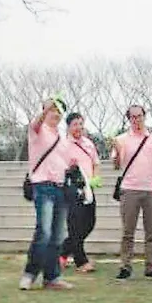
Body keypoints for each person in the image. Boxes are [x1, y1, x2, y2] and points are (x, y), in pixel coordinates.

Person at [20, 97, 75, 291]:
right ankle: (30, 273)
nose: (55, 114)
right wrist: (46, 109)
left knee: (57, 236)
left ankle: (52, 277)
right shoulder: (38, 130)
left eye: (59, 111)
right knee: (44, 232)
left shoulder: (63, 139)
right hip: (43, 186)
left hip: (61, 187)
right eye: (52, 110)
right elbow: (35, 123)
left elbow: (66, 162)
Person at [111, 105, 152, 280]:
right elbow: (116, 166)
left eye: (139, 116)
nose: (137, 120)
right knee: (128, 231)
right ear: (129, 119)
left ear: (144, 116)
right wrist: (117, 151)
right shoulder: (122, 139)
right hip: (130, 189)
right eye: (133, 117)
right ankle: (125, 265)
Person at [60, 112, 100, 274]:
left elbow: (95, 163)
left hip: (88, 188)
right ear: (68, 127)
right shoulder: (63, 144)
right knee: (76, 225)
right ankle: (81, 261)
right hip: (72, 188)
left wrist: (95, 178)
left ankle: (61, 252)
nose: (79, 127)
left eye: (81, 124)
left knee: (89, 223)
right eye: (75, 124)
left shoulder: (88, 144)